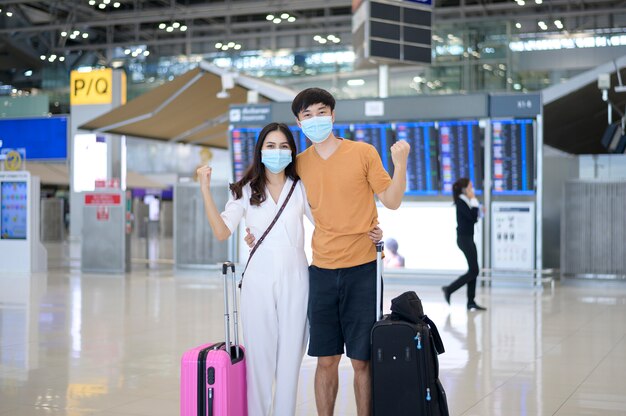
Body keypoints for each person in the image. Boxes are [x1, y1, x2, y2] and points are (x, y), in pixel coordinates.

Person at [196, 122, 382, 416]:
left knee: (290, 363)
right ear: (260, 150)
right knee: (259, 361)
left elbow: (328, 222)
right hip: (258, 280)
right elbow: (222, 231)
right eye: (271, 146)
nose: (277, 152)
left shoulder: (300, 186)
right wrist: (205, 190)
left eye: (284, 146)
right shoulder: (244, 190)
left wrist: (368, 230)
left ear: (292, 152)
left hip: (297, 279)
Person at [248, 88, 410, 416]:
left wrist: (400, 163)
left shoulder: (362, 153)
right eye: (307, 115)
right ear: (298, 121)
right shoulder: (299, 165)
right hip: (320, 271)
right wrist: (254, 232)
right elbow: (272, 198)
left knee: (362, 360)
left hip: (363, 268)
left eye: (321, 112)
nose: (315, 120)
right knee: (326, 360)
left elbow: (391, 200)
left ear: (333, 115)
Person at [442, 177, 487, 311]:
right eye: (470, 187)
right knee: (474, 270)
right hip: (464, 239)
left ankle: (471, 301)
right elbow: (473, 218)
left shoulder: (465, 201)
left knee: (473, 270)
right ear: (464, 189)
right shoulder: (462, 201)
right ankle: (449, 289)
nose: (472, 190)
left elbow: (473, 217)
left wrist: (476, 207)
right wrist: (474, 200)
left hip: (469, 238)